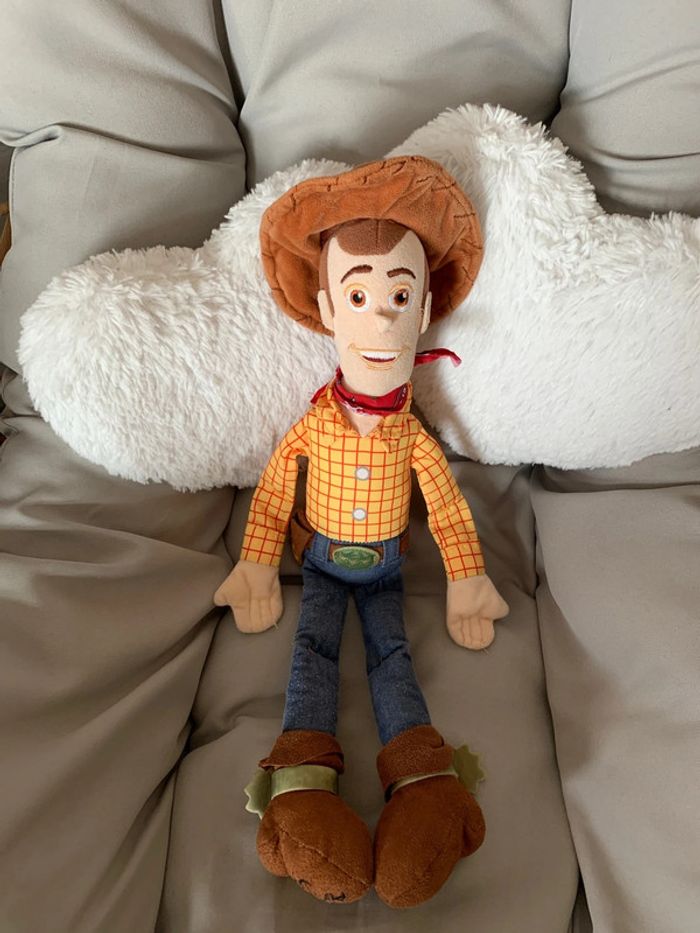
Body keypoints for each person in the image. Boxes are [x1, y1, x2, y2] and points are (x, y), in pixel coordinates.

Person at [1, 2, 698, 931]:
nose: (379, 318)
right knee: (312, 660)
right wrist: (257, 564)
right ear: (326, 309)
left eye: (399, 295)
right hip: (323, 561)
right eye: (359, 296)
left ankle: (428, 785)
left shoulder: (415, 431)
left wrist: (468, 580)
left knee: (397, 663)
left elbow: (444, 504)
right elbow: (276, 490)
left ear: (428, 307)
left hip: (390, 563)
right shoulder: (310, 424)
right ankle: (299, 784)